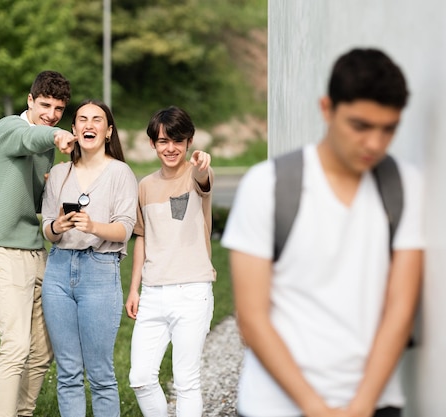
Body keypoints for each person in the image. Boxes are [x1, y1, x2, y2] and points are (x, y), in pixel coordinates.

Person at [221, 48, 424, 417]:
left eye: (388, 129)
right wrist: (313, 406)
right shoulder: (268, 185)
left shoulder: (405, 186)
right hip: (276, 406)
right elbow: (252, 316)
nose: (375, 143)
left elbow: (401, 308)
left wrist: (362, 405)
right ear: (327, 109)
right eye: (361, 126)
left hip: (374, 403)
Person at [0, 70, 76, 417]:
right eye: (45, 104)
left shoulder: (46, 148)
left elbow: (36, 204)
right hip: (0, 251)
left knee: (43, 350)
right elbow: (28, 139)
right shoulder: (7, 129)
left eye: (59, 109)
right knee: (16, 345)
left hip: (36, 252)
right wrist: (57, 134)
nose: (51, 113)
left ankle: (22, 412)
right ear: (30, 101)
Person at [40, 99, 137, 417]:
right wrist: (57, 225)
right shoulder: (58, 172)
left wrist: (92, 226)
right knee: (67, 373)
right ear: (73, 129)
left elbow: (125, 228)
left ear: (108, 131)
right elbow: (48, 230)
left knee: (101, 375)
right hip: (57, 271)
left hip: (100, 271)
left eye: (97, 120)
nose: (88, 124)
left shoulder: (120, 173)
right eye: (82, 119)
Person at [125, 106, 216, 417]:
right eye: (163, 141)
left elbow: (204, 177)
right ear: (153, 144)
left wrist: (203, 163)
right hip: (152, 293)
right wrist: (134, 289)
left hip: (192, 290)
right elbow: (142, 239)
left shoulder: (196, 175)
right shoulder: (145, 186)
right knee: (140, 377)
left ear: (189, 142)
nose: (171, 148)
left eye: (178, 141)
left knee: (186, 380)